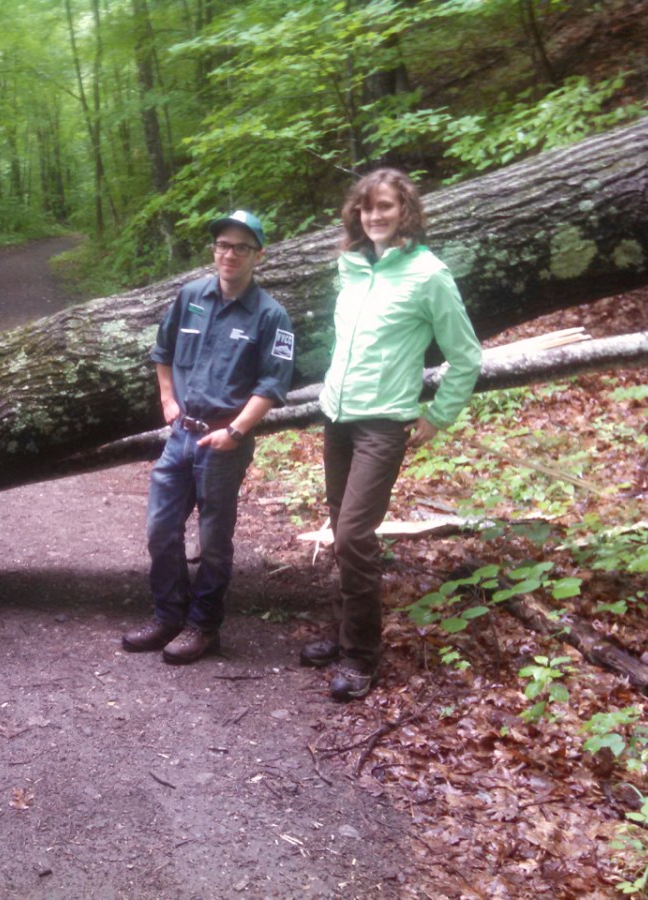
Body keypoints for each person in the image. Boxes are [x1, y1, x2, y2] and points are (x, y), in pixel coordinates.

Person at [306, 168, 482, 700]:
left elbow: (466, 354)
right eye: (366, 208)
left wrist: (439, 415)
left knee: (356, 534)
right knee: (340, 527)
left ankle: (361, 657)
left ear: (406, 210)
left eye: (385, 206)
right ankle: (342, 635)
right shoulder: (353, 267)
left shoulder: (429, 274)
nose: (375, 216)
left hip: (383, 424)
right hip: (337, 416)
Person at [122, 210, 295, 665]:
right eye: (222, 245)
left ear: (258, 254)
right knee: (161, 528)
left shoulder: (271, 316)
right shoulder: (191, 297)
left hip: (224, 443)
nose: (229, 254)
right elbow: (163, 351)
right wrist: (167, 400)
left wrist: (235, 431)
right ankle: (167, 616)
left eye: (241, 247)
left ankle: (203, 626)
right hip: (181, 435)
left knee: (214, 539)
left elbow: (271, 387)